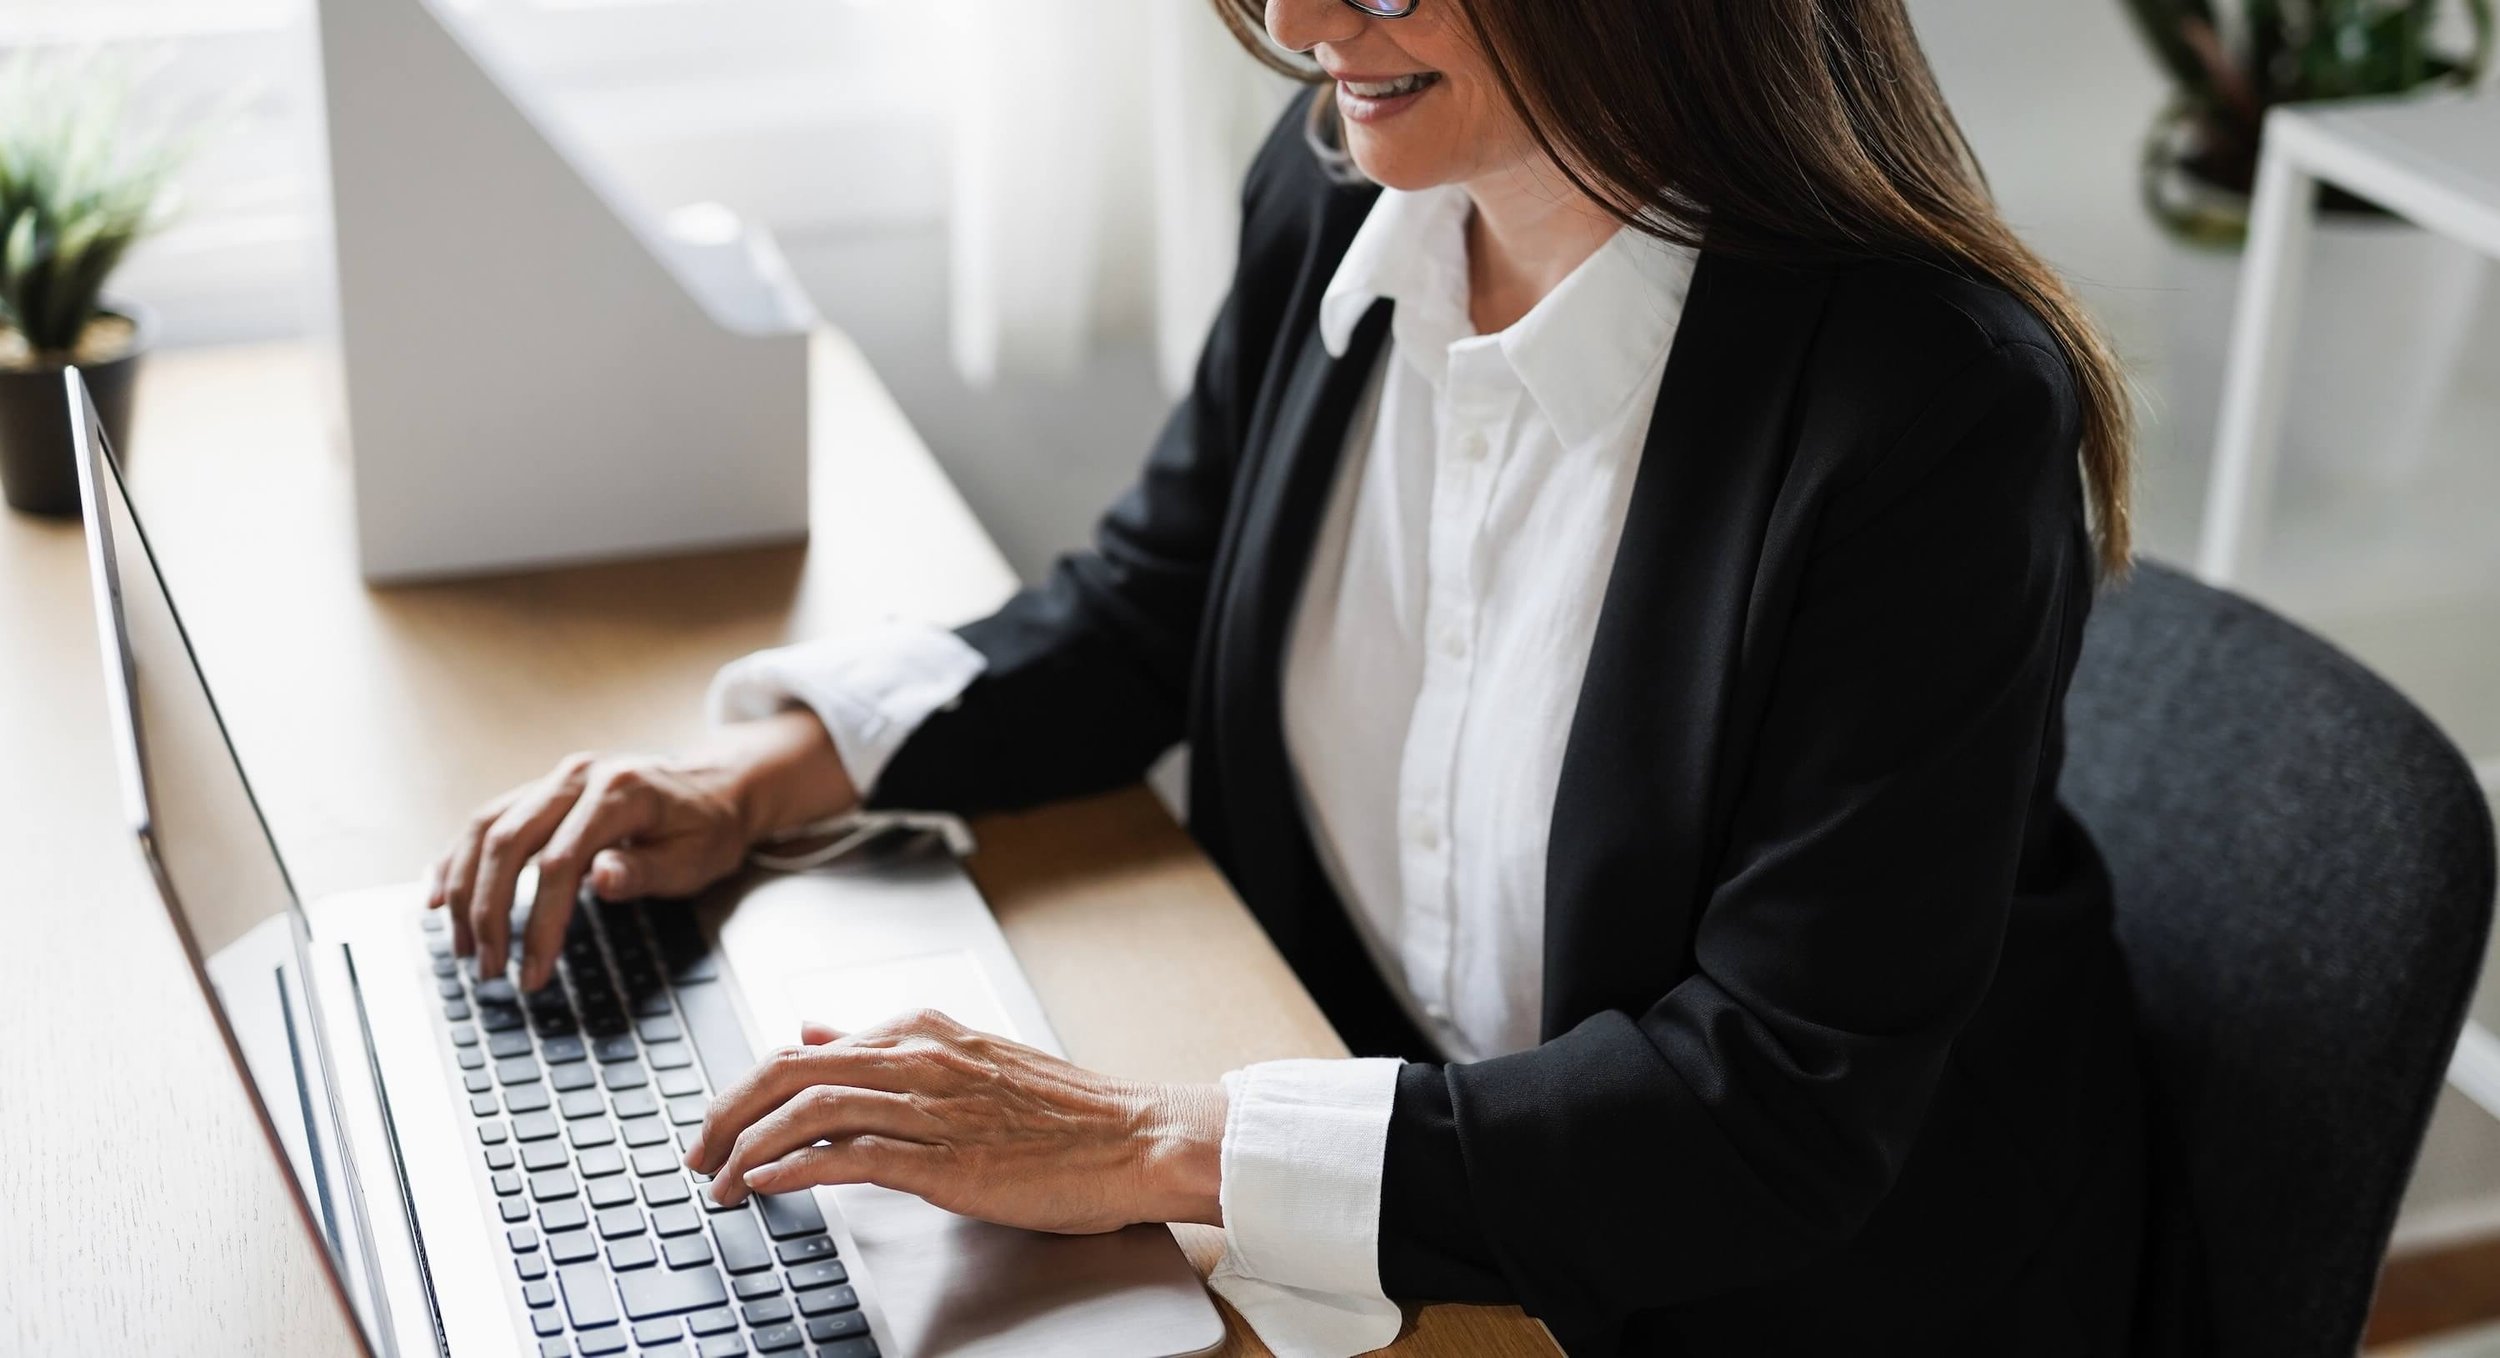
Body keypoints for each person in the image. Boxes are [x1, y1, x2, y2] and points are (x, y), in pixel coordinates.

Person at [427, 0, 2149, 1351]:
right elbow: (1153, 599)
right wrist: (765, 778)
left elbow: (1770, 1111)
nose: (1309, 23)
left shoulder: (1928, 418)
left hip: (1756, 1293)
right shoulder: (1342, 173)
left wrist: (1142, 1137)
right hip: (1398, 1153)